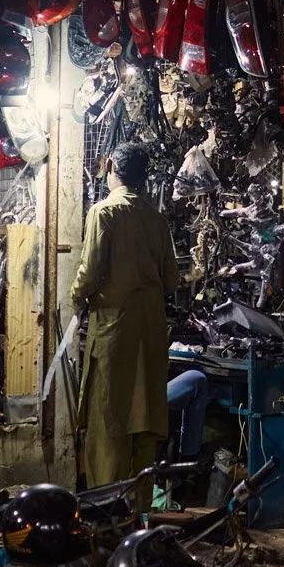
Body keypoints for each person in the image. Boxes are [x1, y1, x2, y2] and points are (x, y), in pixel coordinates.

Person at [70, 143, 181, 491]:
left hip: (114, 330)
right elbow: (172, 280)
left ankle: (108, 510)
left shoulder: (104, 212)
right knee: (145, 420)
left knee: (109, 421)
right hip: (150, 331)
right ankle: (139, 512)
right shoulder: (156, 218)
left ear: (111, 165)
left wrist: (77, 297)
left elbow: (89, 272)